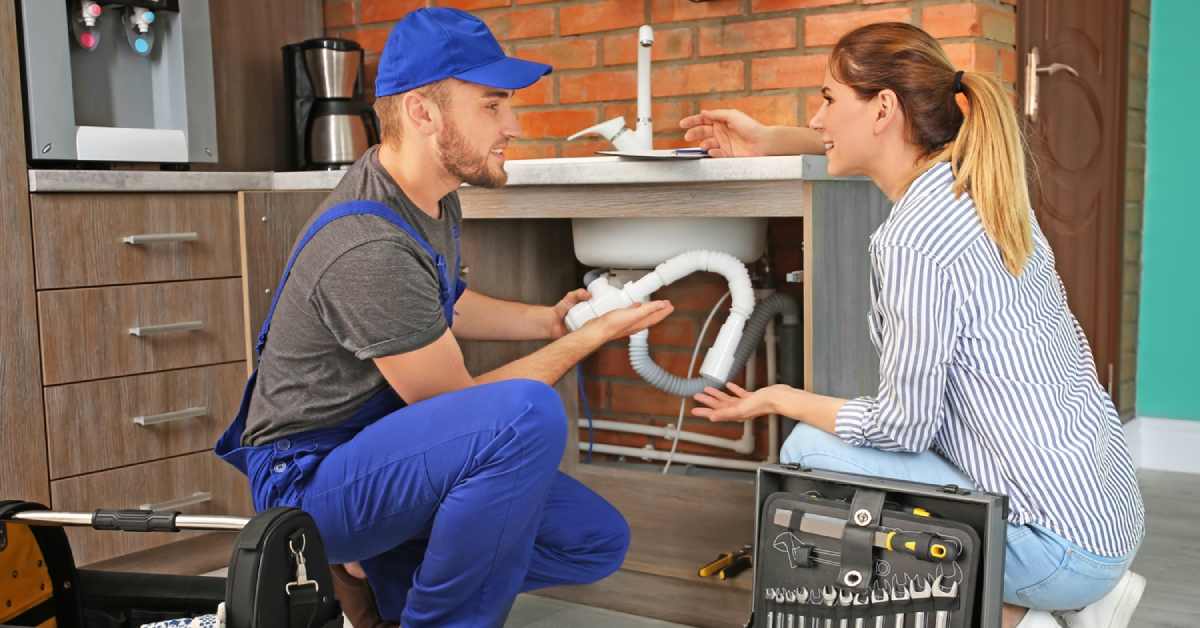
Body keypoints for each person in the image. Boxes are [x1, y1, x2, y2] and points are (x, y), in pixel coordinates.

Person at [215, 8, 674, 628]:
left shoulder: (428, 196)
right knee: (524, 417)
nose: (512, 125)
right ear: (422, 112)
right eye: (491, 105)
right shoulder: (367, 244)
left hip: (377, 449)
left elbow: (443, 301)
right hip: (309, 481)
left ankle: (390, 582)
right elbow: (461, 410)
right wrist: (589, 340)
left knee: (593, 539)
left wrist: (551, 321)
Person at [681, 22, 1144, 628]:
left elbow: (905, 425)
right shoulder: (982, 186)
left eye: (826, 99)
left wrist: (781, 397)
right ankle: (1062, 603)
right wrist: (774, 139)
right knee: (841, 457)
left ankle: (1023, 619)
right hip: (1105, 515)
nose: (818, 120)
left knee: (806, 453)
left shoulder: (913, 241)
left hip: (1057, 547)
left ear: (882, 108)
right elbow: (879, 143)